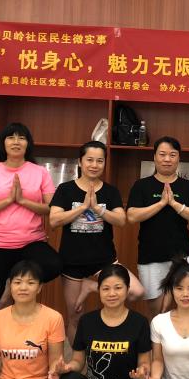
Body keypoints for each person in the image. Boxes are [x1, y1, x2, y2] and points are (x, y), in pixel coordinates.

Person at [50, 141, 143, 343]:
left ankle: (91, 286)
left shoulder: (110, 191)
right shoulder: (65, 189)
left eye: (99, 161)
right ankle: (78, 361)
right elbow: (54, 220)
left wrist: (98, 208)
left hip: (104, 260)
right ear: (80, 162)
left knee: (136, 291)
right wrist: (82, 208)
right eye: (90, 160)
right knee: (75, 316)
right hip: (72, 262)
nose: (94, 165)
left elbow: (121, 220)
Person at [127, 136, 189, 315]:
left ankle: (173, 289)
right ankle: (173, 292)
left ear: (178, 158)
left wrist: (175, 204)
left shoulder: (188, 187)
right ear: (154, 157)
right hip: (151, 256)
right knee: (157, 314)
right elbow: (132, 216)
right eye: (162, 154)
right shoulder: (142, 186)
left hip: (183, 255)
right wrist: (161, 203)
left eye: (172, 155)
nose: (167, 159)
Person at [0, 122, 61, 308]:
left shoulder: (40, 172)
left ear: (28, 144)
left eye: (21, 138)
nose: (16, 142)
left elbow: (52, 208)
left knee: (54, 265)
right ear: (3, 143)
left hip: (31, 242)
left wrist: (22, 201)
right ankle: (6, 294)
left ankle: (11, 284)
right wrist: (7, 201)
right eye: (11, 137)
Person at [53, 264, 150, 379]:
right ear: (99, 290)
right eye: (106, 288)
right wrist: (67, 367)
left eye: (118, 288)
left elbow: (144, 362)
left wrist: (142, 372)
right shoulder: (87, 321)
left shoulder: (139, 322)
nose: (112, 293)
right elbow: (78, 361)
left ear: (127, 289)